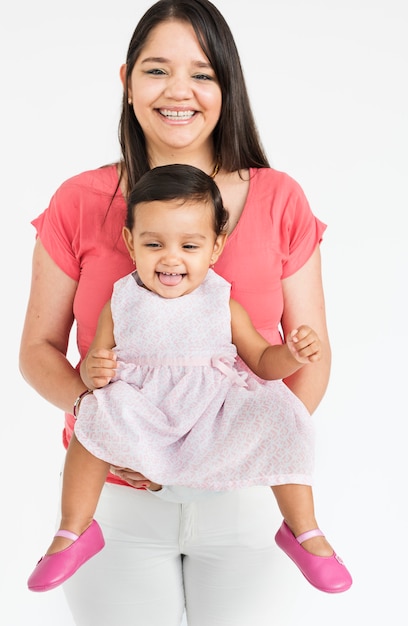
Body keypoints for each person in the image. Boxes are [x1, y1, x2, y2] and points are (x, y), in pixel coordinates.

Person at [19, 1, 346, 623]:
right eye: (156, 69)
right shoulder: (79, 200)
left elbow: (312, 351)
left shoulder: (279, 198)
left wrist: (244, 442)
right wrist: (112, 431)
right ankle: (70, 531)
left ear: (228, 85)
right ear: (127, 81)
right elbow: (38, 352)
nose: (179, 92)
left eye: (202, 73)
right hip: (115, 499)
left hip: (247, 495)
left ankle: (303, 533)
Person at [26, 164, 352, 596]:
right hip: (143, 408)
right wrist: (93, 372)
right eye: (154, 243)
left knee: (279, 412)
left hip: (212, 409)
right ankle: (74, 530)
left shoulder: (223, 303)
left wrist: (290, 355)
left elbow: (261, 361)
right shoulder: (120, 302)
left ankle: (304, 530)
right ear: (131, 242)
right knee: (93, 417)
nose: (171, 257)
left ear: (215, 248)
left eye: (190, 245)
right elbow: (94, 366)